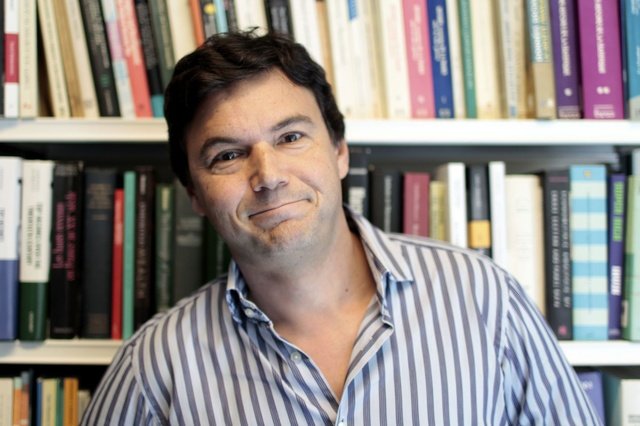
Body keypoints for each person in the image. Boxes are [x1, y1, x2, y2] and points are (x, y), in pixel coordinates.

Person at [82, 31, 600, 425]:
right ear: (194, 194)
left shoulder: (485, 300)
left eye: (290, 137)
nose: (268, 176)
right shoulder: (155, 368)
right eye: (228, 155)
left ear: (339, 152)